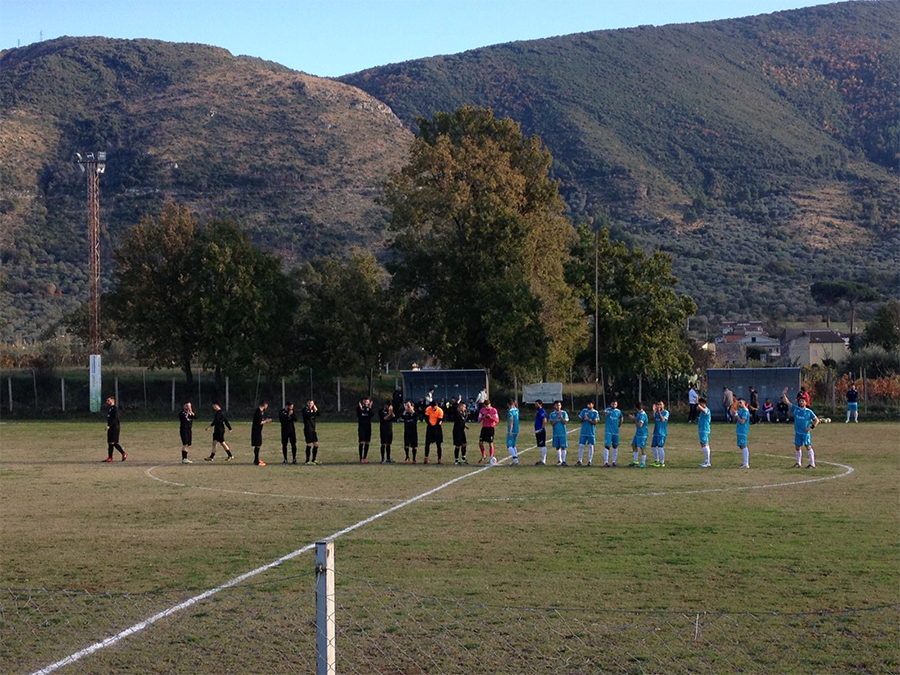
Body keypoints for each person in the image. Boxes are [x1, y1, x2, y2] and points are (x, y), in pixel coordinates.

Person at [782, 387, 818, 468]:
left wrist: (811, 428)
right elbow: (787, 402)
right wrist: (783, 394)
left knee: (808, 446)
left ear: (806, 402)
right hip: (798, 432)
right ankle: (798, 463)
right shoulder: (796, 409)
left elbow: (816, 420)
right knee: (797, 447)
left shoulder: (809, 411)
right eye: (800, 401)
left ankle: (812, 464)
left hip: (805, 433)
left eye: (803, 401)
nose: (801, 402)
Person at [103, 396, 127, 462]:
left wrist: (109, 425)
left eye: (108, 400)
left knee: (114, 442)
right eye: (107, 400)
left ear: (113, 400)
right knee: (110, 443)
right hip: (110, 427)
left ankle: (123, 453)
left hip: (115, 427)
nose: (107, 401)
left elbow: (115, 418)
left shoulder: (115, 409)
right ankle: (110, 457)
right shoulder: (109, 408)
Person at [576, 401, 599, 467]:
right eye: (588, 404)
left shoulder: (595, 412)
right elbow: (580, 420)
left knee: (591, 446)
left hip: (591, 432)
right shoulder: (584, 410)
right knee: (581, 445)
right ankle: (580, 460)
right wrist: (583, 418)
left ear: (593, 405)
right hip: (583, 431)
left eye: (590, 404)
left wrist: (588, 419)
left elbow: (595, 422)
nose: (588, 405)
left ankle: (589, 461)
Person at [477, 399, 500, 464]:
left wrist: (491, 417)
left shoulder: (494, 410)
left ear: (490, 404)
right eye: (486, 405)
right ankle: (483, 454)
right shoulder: (482, 410)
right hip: (484, 428)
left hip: (491, 428)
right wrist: (483, 418)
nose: (487, 407)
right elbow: (478, 420)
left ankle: (491, 457)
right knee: (480, 443)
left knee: (490, 443)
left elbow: (497, 420)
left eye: (488, 405)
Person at [251, 400, 272, 466]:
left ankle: (256, 459)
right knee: (258, 445)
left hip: (258, 430)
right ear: (264, 404)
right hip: (256, 430)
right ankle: (256, 461)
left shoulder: (261, 412)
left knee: (258, 444)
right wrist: (267, 421)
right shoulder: (258, 412)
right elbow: (260, 422)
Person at [603, 400, 623, 467]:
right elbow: (603, 412)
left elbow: (621, 418)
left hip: (615, 431)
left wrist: (619, 425)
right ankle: (606, 462)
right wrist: (605, 413)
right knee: (607, 446)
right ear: (611, 404)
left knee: (615, 446)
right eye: (613, 404)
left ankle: (614, 461)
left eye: (615, 404)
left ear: (617, 405)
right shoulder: (608, 410)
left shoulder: (618, 411)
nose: (614, 405)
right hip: (608, 431)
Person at [549, 400, 569, 466]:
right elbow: (552, 423)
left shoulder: (564, 413)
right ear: (554, 406)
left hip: (563, 432)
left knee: (563, 446)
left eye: (559, 405)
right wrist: (557, 417)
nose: (558, 406)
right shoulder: (552, 414)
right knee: (557, 447)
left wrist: (561, 417)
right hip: (556, 433)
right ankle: (559, 460)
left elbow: (565, 422)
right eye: (557, 405)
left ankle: (564, 461)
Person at [424, 399, 444, 464]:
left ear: (437, 406)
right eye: (432, 407)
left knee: (438, 444)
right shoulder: (428, 409)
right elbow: (426, 418)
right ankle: (426, 457)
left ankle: (439, 459)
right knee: (427, 444)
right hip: (430, 427)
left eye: (434, 407)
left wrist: (435, 427)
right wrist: (430, 425)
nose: (433, 408)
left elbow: (439, 420)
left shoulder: (440, 411)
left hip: (437, 428)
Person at [629, 402, 649, 468]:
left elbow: (640, 424)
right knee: (633, 445)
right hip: (638, 433)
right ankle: (635, 460)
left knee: (642, 448)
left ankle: (643, 463)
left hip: (643, 434)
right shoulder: (639, 413)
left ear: (636, 408)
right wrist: (634, 418)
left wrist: (633, 419)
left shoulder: (643, 415)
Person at [302, 400, 321, 464]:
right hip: (308, 429)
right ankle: (307, 461)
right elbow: (308, 415)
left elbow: (318, 414)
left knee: (316, 444)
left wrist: (316, 410)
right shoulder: (305, 410)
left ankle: (314, 459)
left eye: (312, 403)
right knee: (309, 444)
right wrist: (314, 411)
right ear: (307, 403)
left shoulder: (313, 409)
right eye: (309, 403)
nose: (310, 404)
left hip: (313, 430)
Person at [734, 398, 751, 468]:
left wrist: (736, 415)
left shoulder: (745, 411)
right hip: (739, 430)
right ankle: (745, 462)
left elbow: (742, 421)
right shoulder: (741, 410)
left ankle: (746, 463)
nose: (739, 404)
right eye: (739, 402)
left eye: (741, 402)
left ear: (744, 403)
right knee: (741, 446)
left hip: (743, 430)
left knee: (744, 445)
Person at [651, 401, 669, 468]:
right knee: (653, 447)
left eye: (660, 404)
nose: (659, 405)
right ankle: (656, 460)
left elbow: (662, 420)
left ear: (663, 405)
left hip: (662, 433)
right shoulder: (656, 412)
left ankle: (662, 462)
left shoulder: (666, 412)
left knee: (660, 447)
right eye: (658, 404)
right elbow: (652, 418)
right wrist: (654, 411)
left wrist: (658, 411)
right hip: (656, 432)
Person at [357, 398, 374, 463]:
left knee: (367, 442)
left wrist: (370, 408)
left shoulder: (369, 409)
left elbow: (372, 414)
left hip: (368, 427)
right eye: (364, 401)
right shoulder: (360, 408)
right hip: (361, 427)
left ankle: (365, 457)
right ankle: (361, 458)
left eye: (367, 402)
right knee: (361, 442)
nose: (365, 403)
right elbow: (358, 415)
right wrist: (361, 409)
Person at [453, 400, 469, 465]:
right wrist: (458, 401)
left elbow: (461, 421)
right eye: (464, 407)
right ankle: (456, 460)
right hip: (457, 431)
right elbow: (454, 407)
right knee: (458, 445)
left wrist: (465, 426)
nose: (465, 408)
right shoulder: (457, 412)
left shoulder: (463, 414)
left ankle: (463, 458)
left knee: (464, 444)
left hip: (462, 431)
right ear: (460, 407)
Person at [697, 397, 712, 467]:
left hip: (705, 429)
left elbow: (704, 411)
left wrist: (698, 404)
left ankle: (708, 462)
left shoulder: (707, 410)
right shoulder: (701, 412)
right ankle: (706, 461)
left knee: (705, 444)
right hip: (701, 429)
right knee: (703, 444)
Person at [534, 400, 550, 465]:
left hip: (541, 431)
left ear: (540, 404)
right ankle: (542, 460)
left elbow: (544, 419)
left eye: (536, 404)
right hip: (538, 430)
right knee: (541, 445)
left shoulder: (541, 411)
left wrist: (541, 428)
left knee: (543, 445)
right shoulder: (538, 411)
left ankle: (543, 461)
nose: (535, 405)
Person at [506, 399, 520, 466]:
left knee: (509, 445)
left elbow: (511, 421)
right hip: (517, 429)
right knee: (514, 445)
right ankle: (515, 460)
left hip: (512, 430)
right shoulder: (517, 410)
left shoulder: (510, 412)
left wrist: (510, 430)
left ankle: (515, 459)